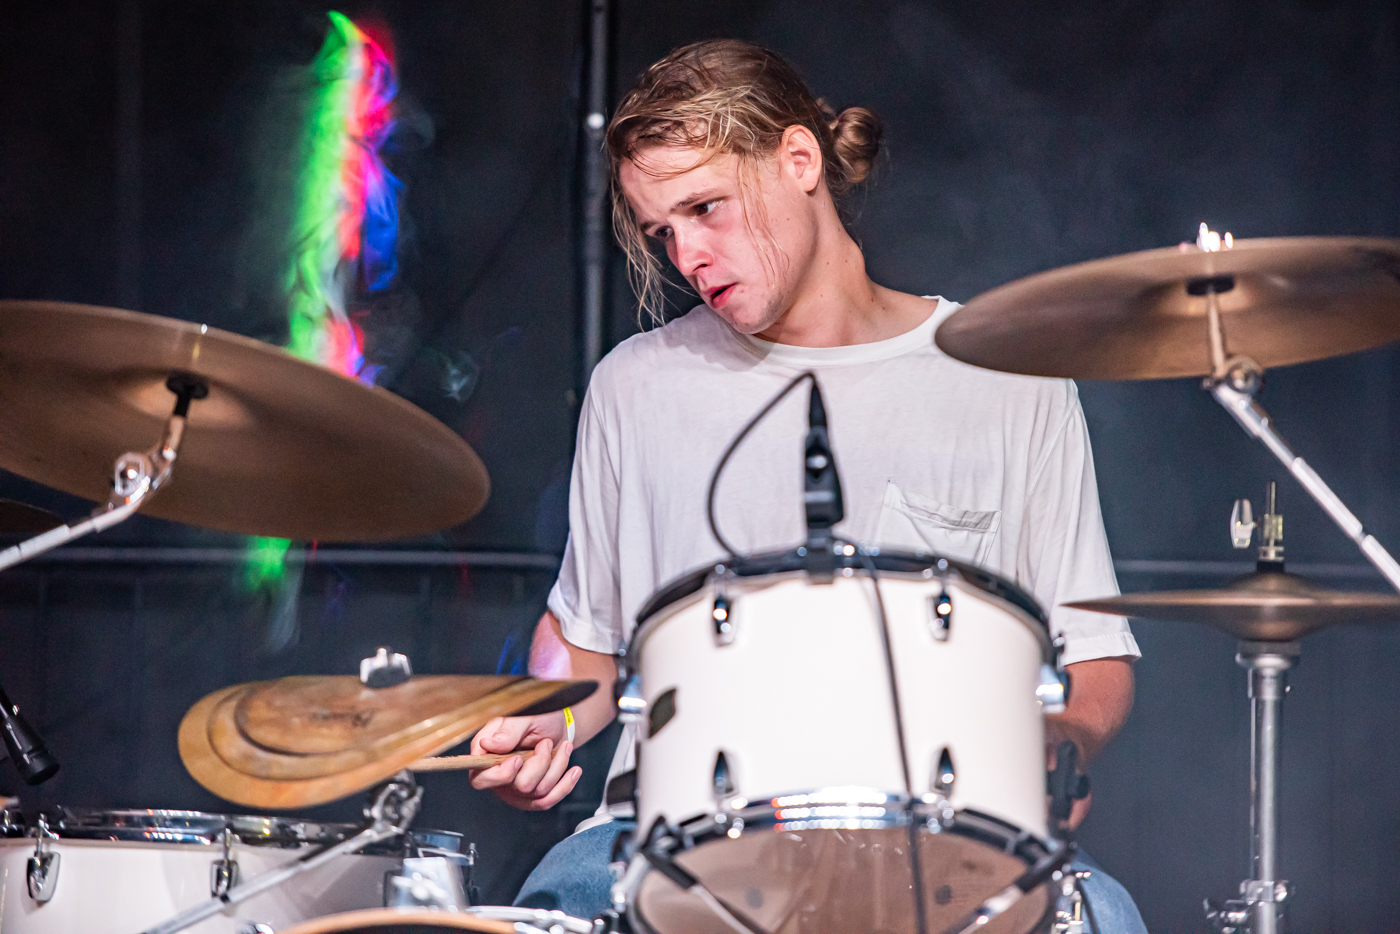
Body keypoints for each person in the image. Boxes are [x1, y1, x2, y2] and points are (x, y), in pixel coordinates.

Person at [469, 39, 1147, 932]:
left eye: (705, 208)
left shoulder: (1006, 379)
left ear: (799, 160)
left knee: (1104, 917)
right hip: (666, 836)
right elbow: (587, 644)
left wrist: (1060, 740)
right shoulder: (636, 385)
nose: (687, 255)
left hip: (937, 840)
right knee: (551, 908)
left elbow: (1094, 658)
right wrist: (547, 720)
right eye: (663, 231)